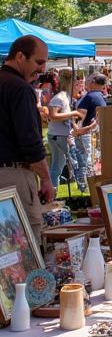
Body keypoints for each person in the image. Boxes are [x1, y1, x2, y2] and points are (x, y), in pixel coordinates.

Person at [0, 36, 53, 241]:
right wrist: (46, 179)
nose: (42, 69)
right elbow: (31, 142)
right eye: (39, 62)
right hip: (14, 177)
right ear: (20, 56)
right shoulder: (20, 88)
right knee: (25, 246)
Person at [47, 69, 81, 188]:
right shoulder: (59, 98)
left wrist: (74, 125)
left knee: (60, 166)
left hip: (62, 135)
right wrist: (74, 113)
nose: (78, 86)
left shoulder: (66, 97)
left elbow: (66, 117)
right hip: (58, 136)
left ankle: (53, 190)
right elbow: (53, 115)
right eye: (76, 83)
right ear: (70, 83)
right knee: (68, 164)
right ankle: (52, 191)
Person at [71, 73, 106, 186]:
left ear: (92, 82)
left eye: (88, 80)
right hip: (94, 133)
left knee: (84, 161)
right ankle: (89, 185)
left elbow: (80, 117)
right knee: (91, 160)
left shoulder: (89, 97)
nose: (85, 83)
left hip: (85, 133)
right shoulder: (100, 96)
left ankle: (85, 185)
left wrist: (77, 129)